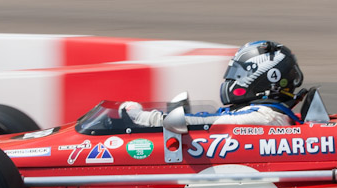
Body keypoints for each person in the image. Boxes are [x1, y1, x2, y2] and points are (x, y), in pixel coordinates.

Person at [121, 40, 305, 127]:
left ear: (265, 76)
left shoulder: (263, 117)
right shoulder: (262, 114)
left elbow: (205, 123)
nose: (232, 80)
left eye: (239, 74)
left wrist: (143, 118)